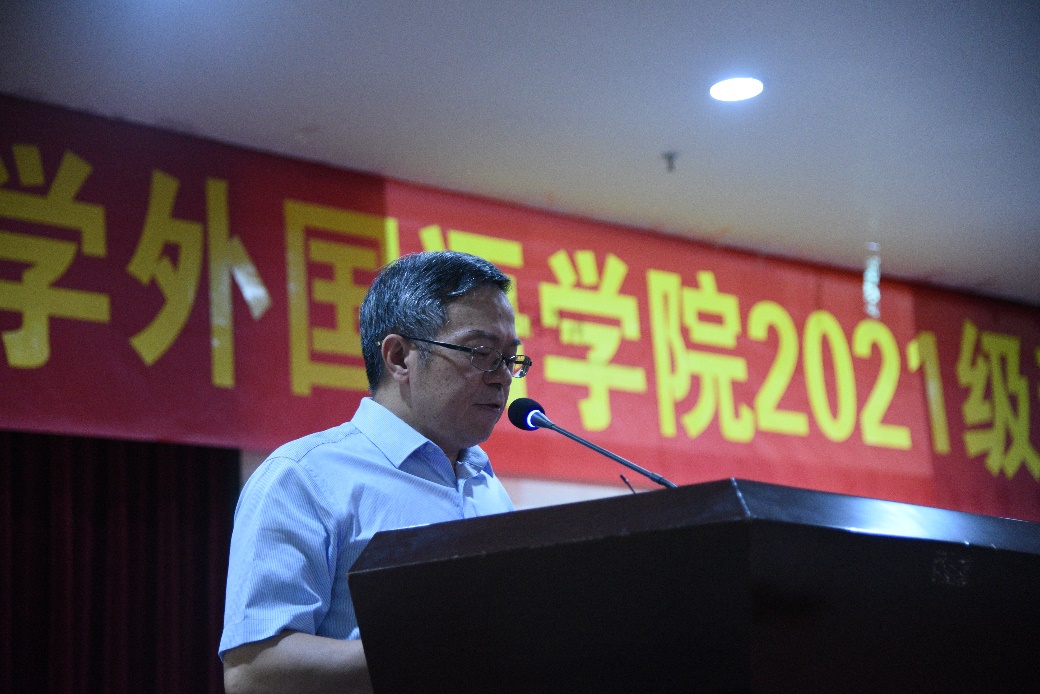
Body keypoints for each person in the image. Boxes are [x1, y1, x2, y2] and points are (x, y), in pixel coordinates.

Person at [220, 251, 531, 693]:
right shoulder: (303, 477)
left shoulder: (484, 484)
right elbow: (253, 673)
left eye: (510, 358)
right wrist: (430, 651)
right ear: (400, 357)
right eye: (481, 353)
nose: (502, 377)